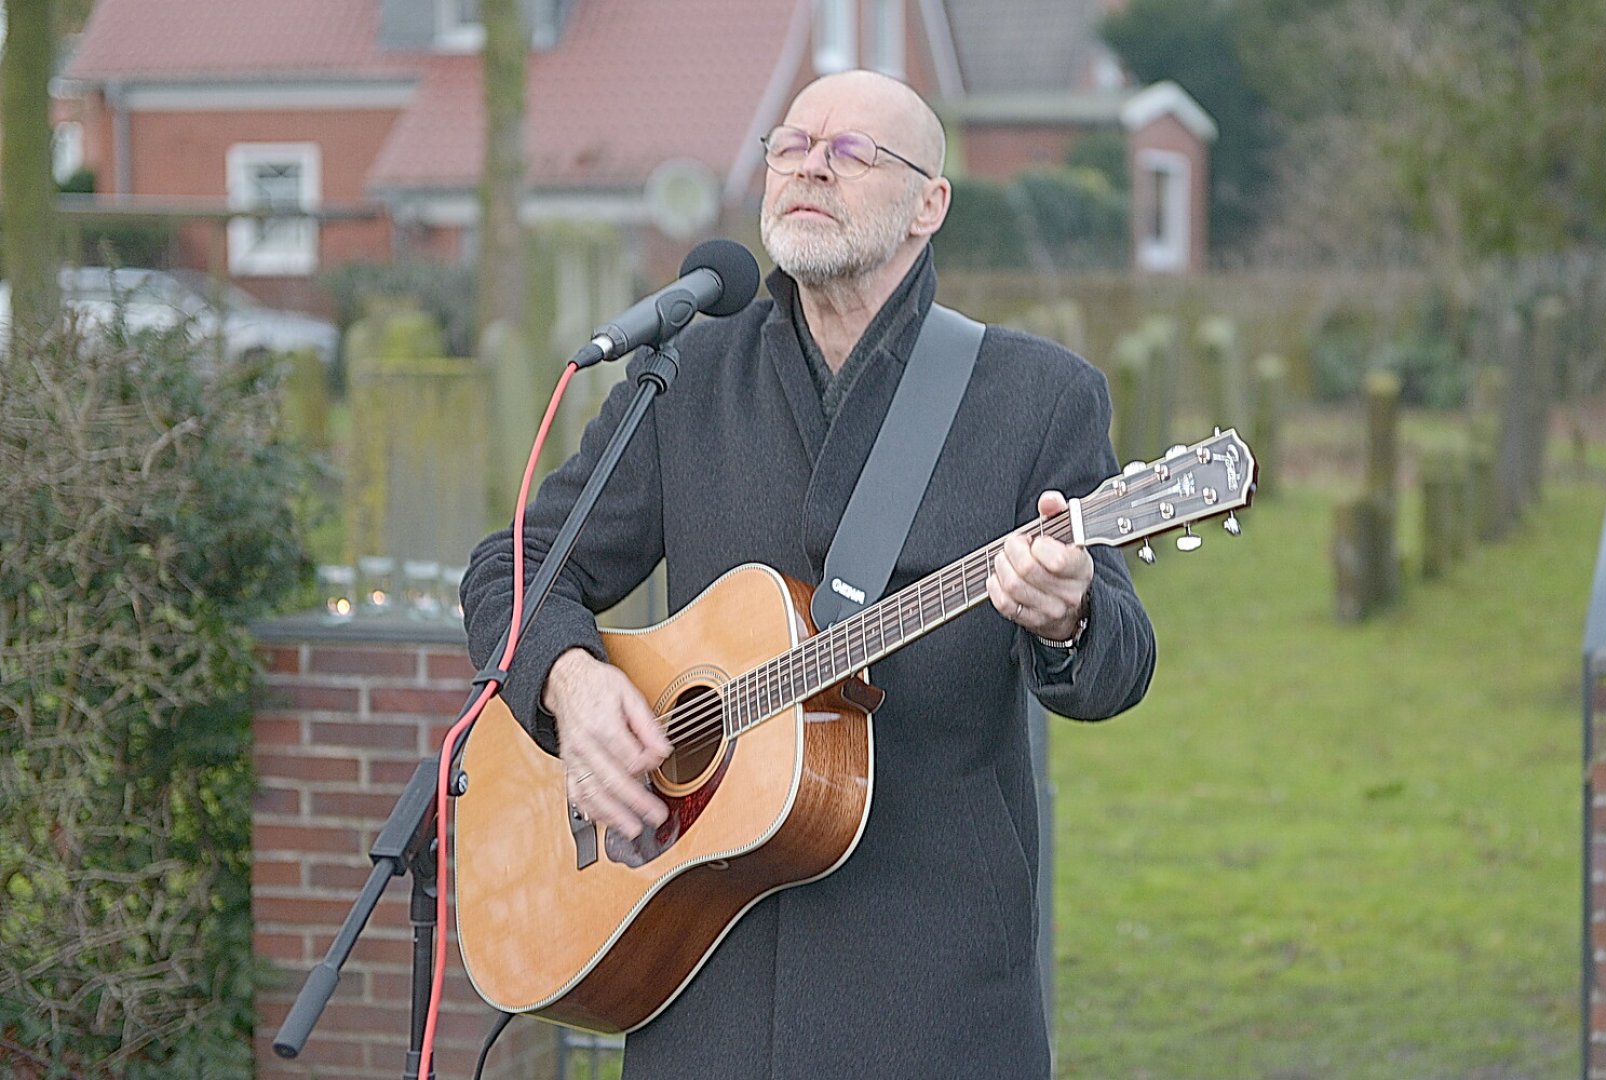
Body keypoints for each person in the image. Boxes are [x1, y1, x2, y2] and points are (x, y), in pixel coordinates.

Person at [461, 69, 1156, 1079]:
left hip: (929, 989)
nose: (806, 170)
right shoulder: (689, 375)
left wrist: (1072, 614)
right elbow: (513, 567)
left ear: (930, 205)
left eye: (850, 154)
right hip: (698, 976)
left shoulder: (1034, 396)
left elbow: (1121, 662)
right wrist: (571, 682)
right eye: (789, 146)